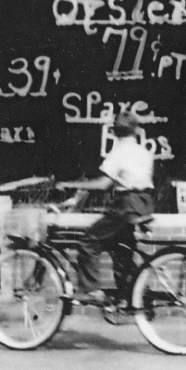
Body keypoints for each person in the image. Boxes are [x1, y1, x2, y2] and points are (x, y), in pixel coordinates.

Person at [56, 110, 154, 304]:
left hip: (126, 204)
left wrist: (70, 185)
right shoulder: (144, 152)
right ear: (136, 131)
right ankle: (133, 296)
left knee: (88, 242)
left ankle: (92, 290)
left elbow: (103, 184)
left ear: (114, 132)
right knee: (121, 250)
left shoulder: (118, 153)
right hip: (145, 203)